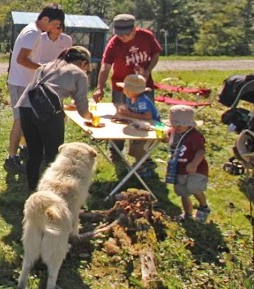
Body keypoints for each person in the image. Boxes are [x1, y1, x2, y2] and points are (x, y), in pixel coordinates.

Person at [15, 46, 94, 192]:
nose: (86, 70)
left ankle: (33, 190)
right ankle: (53, 190)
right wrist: (92, 116)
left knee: (34, 153)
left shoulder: (47, 66)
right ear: (83, 63)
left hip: (25, 106)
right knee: (54, 155)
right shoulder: (79, 74)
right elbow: (83, 110)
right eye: (87, 67)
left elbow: (47, 90)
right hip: (47, 113)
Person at [93, 13, 162, 160]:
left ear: (134, 29)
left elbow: (155, 54)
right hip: (121, 88)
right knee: (120, 118)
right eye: (118, 34)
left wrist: (148, 71)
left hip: (143, 87)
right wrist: (100, 87)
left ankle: (142, 154)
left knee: (145, 120)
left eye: (125, 34)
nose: (121, 37)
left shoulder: (147, 36)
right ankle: (116, 152)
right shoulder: (114, 43)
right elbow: (105, 66)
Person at [6, 4, 66, 170]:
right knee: (19, 120)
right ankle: (11, 157)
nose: (55, 28)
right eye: (54, 24)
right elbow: (21, 59)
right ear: (45, 19)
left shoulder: (35, 31)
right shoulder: (32, 32)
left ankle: (25, 148)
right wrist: (42, 68)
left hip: (26, 82)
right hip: (19, 82)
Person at [165, 105, 210, 222]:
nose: (178, 126)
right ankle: (188, 214)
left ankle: (203, 206)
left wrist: (194, 163)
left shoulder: (194, 136)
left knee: (194, 188)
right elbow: (168, 139)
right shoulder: (172, 132)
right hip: (180, 168)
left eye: (181, 124)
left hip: (196, 169)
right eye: (175, 123)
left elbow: (201, 151)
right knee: (183, 192)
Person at [115, 73, 161, 178]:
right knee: (135, 145)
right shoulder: (129, 98)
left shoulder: (142, 101)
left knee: (140, 147)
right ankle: (144, 162)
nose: (124, 91)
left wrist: (128, 114)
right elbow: (131, 110)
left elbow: (147, 116)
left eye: (126, 89)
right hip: (140, 125)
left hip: (154, 127)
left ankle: (143, 167)